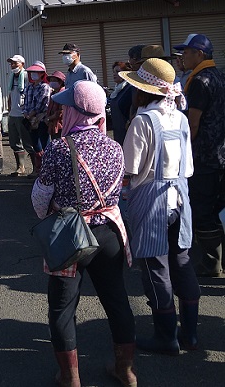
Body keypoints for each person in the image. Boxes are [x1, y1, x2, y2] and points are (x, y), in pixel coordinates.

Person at [31, 80, 136, 387]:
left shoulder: (59, 148)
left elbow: (40, 198)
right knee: (116, 299)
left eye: (66, 105)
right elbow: (121, 190)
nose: (62, 110)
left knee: (63, 307)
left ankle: (70, 377)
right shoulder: (115, 146)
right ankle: (126, 371)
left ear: (76, 111)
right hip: (109, 234)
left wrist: (50, 216)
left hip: (70, 237)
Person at [120, 58, 200, 355]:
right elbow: (188, 166)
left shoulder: (142, 121)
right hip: (180, 197)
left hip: (151, 200)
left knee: (155, 267)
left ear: (142, 92)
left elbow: (130, 166)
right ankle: (190, 335)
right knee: (182, 261)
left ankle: (166, 337)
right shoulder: (179, 117)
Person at [174, 33, 225, 277]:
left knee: (204, 209)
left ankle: (210, 262)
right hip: (220, 153)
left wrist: (183, 153)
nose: (183, 56)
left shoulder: (200, 80)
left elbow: (192, 124)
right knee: (217, 206)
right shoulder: (219, 75)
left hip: (204, 155)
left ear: (200, 54)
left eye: (187, 51)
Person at [6, 55, 35, 176]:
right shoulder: (12, 77)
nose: (13, 65)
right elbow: (11, 94)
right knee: (14, 142)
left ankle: (36, 168)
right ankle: (20, 167)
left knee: (28, 142)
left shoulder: (27, 77)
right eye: (11, 63)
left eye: (15, 63)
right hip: (13, 114)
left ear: (22, 64)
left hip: (23, 115)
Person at [22, 61, 52, 178]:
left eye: (37, 72)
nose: (34, 74)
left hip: (41, 119)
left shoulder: (45, 87)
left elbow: (42, 103)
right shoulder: (29, 87)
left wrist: (32, 114)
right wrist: (26, 114)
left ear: (42, 74)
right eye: (32, 72)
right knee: (35, 144)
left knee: (45, 143)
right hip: (30, 119)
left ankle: (48, 169)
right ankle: (38, 169)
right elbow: (25, 102)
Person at [109, 61, 132, 146]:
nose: (114, 74)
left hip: (128, 134)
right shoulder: (117, 90)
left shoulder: (129, 89)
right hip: (118, 133)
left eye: (118, 72)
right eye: (114, 72)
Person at [45, 70, 66, 140]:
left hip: (61, 125)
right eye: (51, 80)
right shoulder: (53, 93)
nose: (51, 82)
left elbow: (61, 112)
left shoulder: (63, 93)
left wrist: (49, 118)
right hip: (53, 124)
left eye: (54, 80)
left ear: (60, 82)